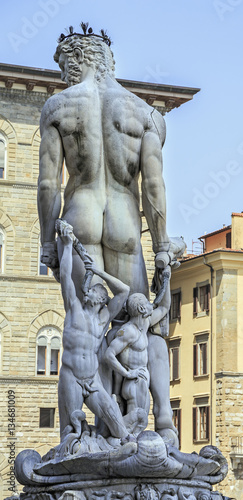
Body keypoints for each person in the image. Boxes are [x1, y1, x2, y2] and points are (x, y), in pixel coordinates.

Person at [37, 25, 175, 440]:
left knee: (89, 325)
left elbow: (47, 184)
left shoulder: (59, 106)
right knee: (142, 325)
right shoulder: (146, 114)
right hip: (125, 223)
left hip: (79, 220)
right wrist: (163, 247)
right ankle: (162, 424)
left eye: (62, 67)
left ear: (73, 61)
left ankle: (88, 431)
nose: (62, 75)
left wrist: (48, 239)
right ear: (108, 60)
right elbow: (153, 187)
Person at [57, 222, 132, 442]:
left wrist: (99, 271)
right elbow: (65, 276)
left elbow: (124, 291)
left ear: (100, 299)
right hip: (71, 376)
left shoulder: (103, 319)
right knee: (71, 429)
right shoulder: (74, 308)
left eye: (92, 290)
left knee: (118, 424)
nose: (87, 291)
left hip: (92, 379)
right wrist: (68, 245)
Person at [104, 267, 171, 435]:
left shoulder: (144, 325)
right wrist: (127, 374)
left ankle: (122, 441)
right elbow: (109, 355)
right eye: (147, 304)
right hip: (134, 384)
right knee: (137, 422)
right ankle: (119, 440)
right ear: (141, 309)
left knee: (140, 422)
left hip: (139, 382)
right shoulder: (129, 331)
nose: (150, 305)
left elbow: (164, 307)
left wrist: (166, 280)